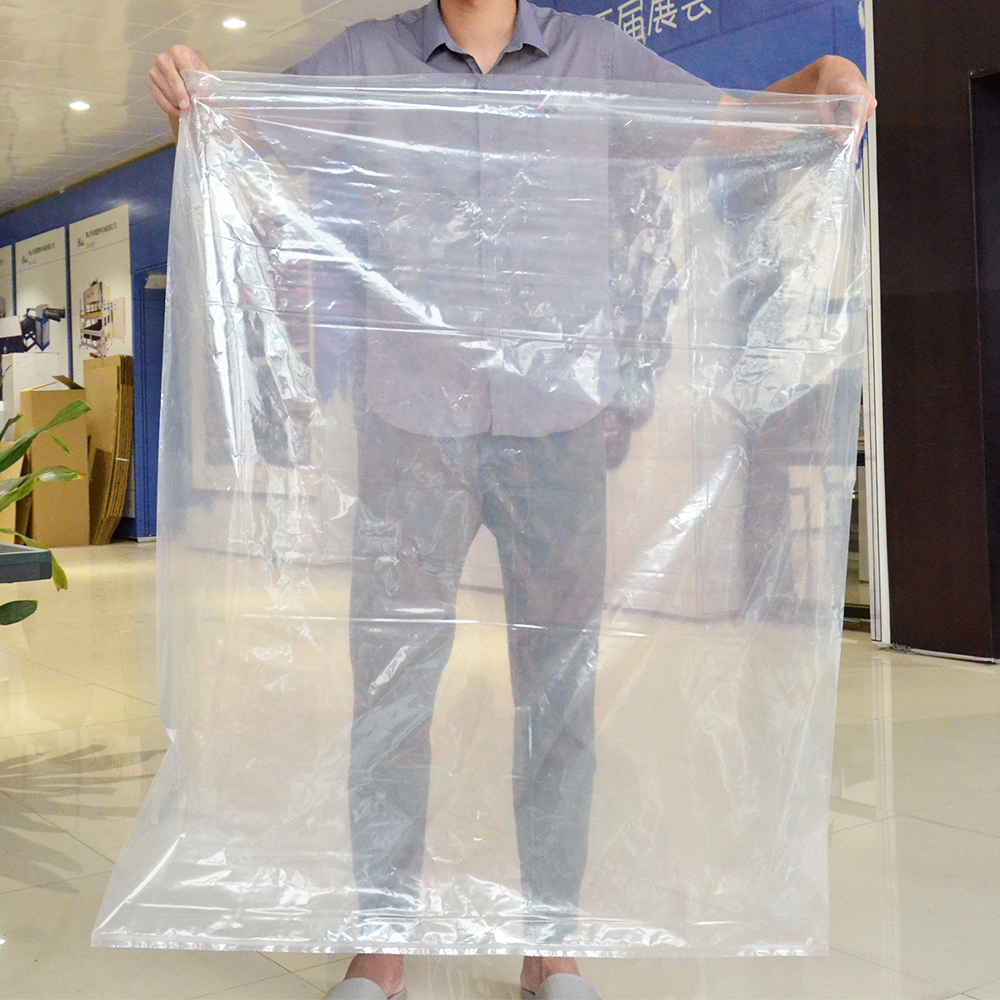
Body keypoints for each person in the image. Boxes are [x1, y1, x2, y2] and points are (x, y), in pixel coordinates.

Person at [149, 4, 875, 999]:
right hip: (412, 429)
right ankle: (382, 943)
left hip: (555, 431)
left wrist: (818, 79)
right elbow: (252, 129)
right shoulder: (368, 57)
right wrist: (196, 88)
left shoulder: (593, 58)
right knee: (391, 689)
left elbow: (724, 122)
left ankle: (550, 945)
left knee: (559, 691)